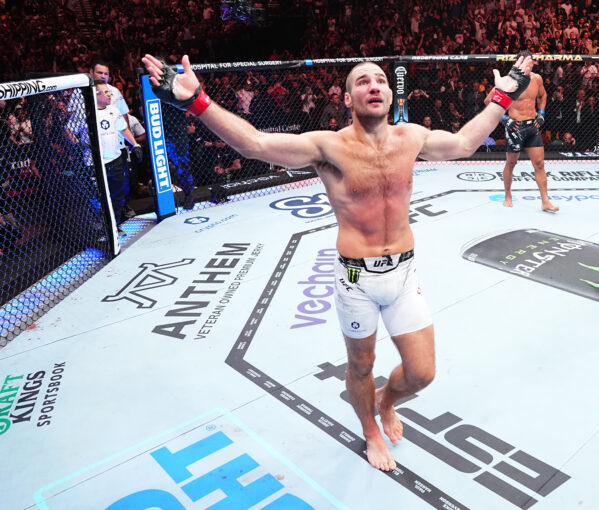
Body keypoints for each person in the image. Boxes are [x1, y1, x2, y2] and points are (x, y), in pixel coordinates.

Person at [142, 52, 533, 472]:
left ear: (390, 90)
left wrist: (501, 97)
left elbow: (463, 143)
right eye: (362, 82)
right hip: (355, 279)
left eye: (380, 80)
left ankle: (387, 400)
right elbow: (253, 144)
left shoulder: (411, 137)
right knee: (361, 365)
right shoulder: (326, 147)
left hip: (403, 273)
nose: (374, 86)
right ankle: (369, 430)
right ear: (348, 99)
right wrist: (196, 100)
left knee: (421, 374)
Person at [485, 50, 558, 212]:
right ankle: (508, 195)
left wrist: (542, 113)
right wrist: (504, 119)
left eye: (532, 61)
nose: (531, 64)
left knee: (539, 164)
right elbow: (488, 100)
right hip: (515, 127)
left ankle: (545, 201)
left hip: (532, 126)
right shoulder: (507, 81)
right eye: (528, 61)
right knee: (511, 163)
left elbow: (543, 96)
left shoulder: (536, 79)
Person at [93, 80, 142, 236]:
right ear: (96, 95)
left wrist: (135, 145)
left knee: (118, 195)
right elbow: (70, 130)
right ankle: (102, 228)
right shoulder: (89, 113)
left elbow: (123, 129)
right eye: (105, 92)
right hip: (97, 163)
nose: (109, 95)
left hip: (115, 159)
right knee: (99, 197)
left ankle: (114, 226)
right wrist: (80, 144)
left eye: (109, 92)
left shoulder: (113, 110)